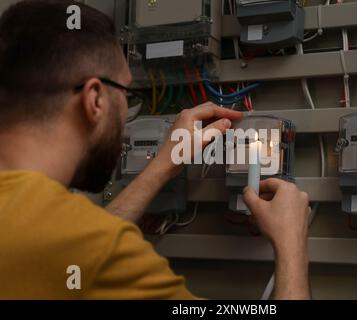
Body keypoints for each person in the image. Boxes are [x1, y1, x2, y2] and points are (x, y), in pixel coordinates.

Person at [0, 0, 311, 300]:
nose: (126, 115)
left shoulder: (56, 234)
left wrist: (164, 164)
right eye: (126, 93)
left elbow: (80, 249)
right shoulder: (100, 250)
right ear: (94, 100)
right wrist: (292, 246)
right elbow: (91, 248)